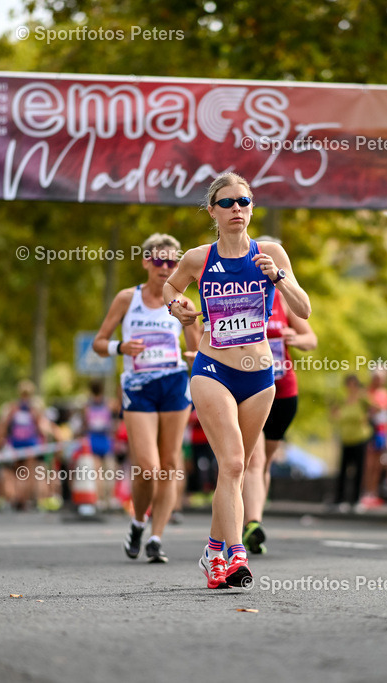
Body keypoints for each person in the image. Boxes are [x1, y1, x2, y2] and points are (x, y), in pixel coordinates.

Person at [164, 172, 311, 589]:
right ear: (212, 210)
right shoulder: (198, 257)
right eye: (227, 203)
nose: (237, 210)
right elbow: (171, 289)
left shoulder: (272, 253)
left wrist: (279, 279)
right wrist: (179, 306)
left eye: (244, 202)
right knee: (230, 463)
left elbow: (304, 310)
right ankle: (236, 556)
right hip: (213, 367)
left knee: (239, 467)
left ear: (252, 207)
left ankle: (213, 551)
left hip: (260, 375)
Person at [94, 233, 201, 564]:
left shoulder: (184, 302)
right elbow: (99, 341)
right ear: (146, 262)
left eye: (172, 262)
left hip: (173, 384)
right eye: (159, 261)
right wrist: (120, 348)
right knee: (148, 468)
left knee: (170, 465)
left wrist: (192, 356)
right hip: (138, 386)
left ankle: (156, 537)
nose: (165, 267)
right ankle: (138, 521)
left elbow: (197, 350)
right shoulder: (128, 298)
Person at [242, 235, 318, 554]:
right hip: (249, 387)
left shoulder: (284, 298)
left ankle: (252, 521)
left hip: (283, 390)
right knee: (254, 460)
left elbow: (311, 339)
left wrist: (292, 337)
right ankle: (252, 524)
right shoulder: (242, 293)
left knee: (265, 462)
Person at [1, 380, 51, 510]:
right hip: (30, 445)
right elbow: (40, 428)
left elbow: (5, 426)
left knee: (16, 473)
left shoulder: (13, 408)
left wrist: (4, 441)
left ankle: (16, 497)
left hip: (15, 444)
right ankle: (23, 499)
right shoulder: (34, 410)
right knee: (27, 474)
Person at [332, 374, 373, 511]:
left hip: (360, 438)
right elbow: (335, 414)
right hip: (346, 438)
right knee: (344, 470)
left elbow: (377, 407)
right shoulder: (343, 400)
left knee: (358, 469)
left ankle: (356, 500)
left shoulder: (362, 398)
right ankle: (340, 499)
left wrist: (367, 416)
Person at [358, 369, 387, 509]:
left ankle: (374, 492)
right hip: (370, 431)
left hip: (382, 432)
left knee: (378, 464)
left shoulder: (385, 394)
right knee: (369, 463)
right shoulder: (366, 393)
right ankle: (366, 492)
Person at [82, 380, 118, 510]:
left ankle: (99, 499)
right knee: (109, 471)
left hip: (94, 439)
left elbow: (85, 424)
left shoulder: (87, 405)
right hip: (105, 440)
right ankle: (110, 498)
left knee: (97, 472)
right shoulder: (109, 403)